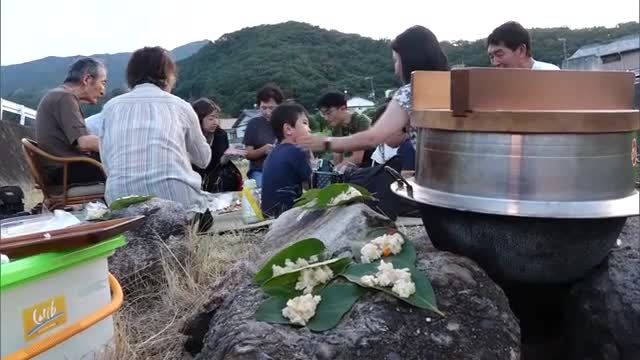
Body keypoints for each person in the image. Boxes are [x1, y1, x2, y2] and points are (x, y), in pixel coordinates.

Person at [299, 25, 449, 163]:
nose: (396, 69)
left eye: (396, 61)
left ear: (410, 59)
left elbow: (373, 137)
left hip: (438, 178)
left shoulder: (410, 93)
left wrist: (325, 142)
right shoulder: (455, 85)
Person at [100, 46, 212, 212]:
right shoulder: (180, 106)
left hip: (121, 205)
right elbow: (203, 160)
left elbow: (108, 164)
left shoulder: (110, 108)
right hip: (178, 204)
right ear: (168, 76)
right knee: (204, 209)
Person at [35, 57, 107, 186]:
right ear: (87, 79)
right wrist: (118, 144)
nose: (103, 91)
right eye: (103, 82)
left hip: (63, 169)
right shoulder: (65, 97)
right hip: (66, 171)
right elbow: (84, 143)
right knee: (125, 171)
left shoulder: (60, 95)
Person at [261, 103, 313, 218]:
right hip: (287, 215)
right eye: (305, 123)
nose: (309, 129)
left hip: (268, 213)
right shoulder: (297, 151)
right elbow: (311, 187)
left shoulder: (273, 152)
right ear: (288, 129)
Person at [191, 98, 243, 193]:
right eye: (211, 118)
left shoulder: (220, 135)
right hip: (197, 177)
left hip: (217, 178)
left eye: (216, 118)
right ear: (198, 119)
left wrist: (226, 156)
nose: (215, 122)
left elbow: (220, 164)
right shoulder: (191, 137)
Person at [317, 92, 372, 170]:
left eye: (328, 113)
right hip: (353, 168)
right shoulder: (337, 126)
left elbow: (357, 158)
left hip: (370, 166)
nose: (326, 118)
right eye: (323, 114)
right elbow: (337, 154)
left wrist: (337, 168)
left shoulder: (361, 121)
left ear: (343, 108)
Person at [243, 84, 284, 187]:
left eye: (271, 108)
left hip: (283, 169)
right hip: (260, 171)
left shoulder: (286, 123)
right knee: (264, 190)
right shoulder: (254, 124)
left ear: (279, 106)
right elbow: (248, 154)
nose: (267, 112)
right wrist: (264, 149)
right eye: (263, 108)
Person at [487, 21, 560, 70]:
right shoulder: (497, 81)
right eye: (491, 57)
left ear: (521, 50)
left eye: (499, 54)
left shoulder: (550, 73)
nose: (494, 62)